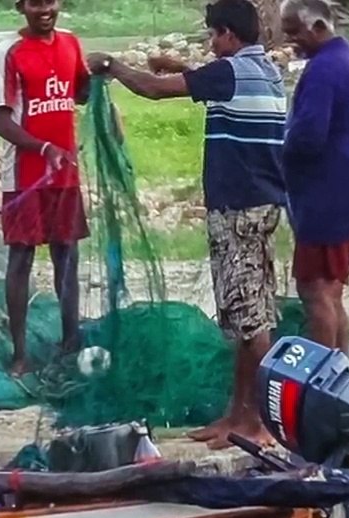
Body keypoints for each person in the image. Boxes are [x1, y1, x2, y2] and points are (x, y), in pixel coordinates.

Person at [87, 0, 287, 449]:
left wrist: (113, 66)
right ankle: (236, 415)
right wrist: (182, 67)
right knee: (245, 316)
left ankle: (260, 422)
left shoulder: (229, 73)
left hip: (238, 211)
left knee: (253, 323)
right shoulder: (265, 71)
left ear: (230, 36)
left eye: (213, 35)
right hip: (261, 208)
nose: (211, 43)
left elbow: (155, 91)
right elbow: (212, 80)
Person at [0, 0, 90, 377]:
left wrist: (97, 80)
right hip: (25, 176)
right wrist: (44, 148)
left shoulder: (70, 43)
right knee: (21, 259)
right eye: (35, 3)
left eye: (50, 1)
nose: (44, 10)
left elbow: (78, 90)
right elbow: (2, 120)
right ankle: (20, 355)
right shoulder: (8, 51)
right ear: (21, 7)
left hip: (65, 173)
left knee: (68, 257)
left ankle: (70, 343)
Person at [280, 0, 349, 357]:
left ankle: (321, 383)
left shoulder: (322, 70)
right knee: (332, 290)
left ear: (319, 26)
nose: (291, 40)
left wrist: (280, 152)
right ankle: (342, 376)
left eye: (295, 31)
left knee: (315, 291)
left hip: (328, 199)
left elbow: (307, 138)